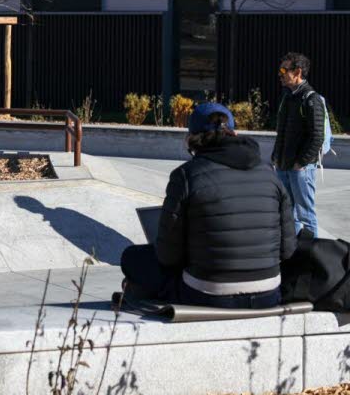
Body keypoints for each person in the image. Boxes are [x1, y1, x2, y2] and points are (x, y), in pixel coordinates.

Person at [121, 103, 297, 309]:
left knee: (132, 258)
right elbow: (288, 250)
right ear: (234, 132)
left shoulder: (186, 176)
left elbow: (168, 256)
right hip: (268, 292)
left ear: (192, 138)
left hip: (209, 292)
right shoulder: (269, 173)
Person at [273, 52, 327, 235]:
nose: (279, 74)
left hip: (300, 169)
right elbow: (282, 132)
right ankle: (293, 254)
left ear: (297, 72)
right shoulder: (288, 97)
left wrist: (301, 163)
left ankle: (313, 256)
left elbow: (317, 136)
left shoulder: (311, 100)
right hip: (283, 165)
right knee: (288, 213)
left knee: (305, 214)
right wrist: (276, 157)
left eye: (283, 70)